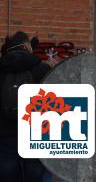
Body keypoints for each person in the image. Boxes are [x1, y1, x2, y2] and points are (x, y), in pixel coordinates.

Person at [0, 31, 51, 182]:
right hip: (35, 135)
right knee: (38, 176)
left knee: (7, 175)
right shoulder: (43, 69)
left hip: (4, 133)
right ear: (25, 47)